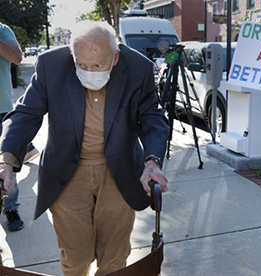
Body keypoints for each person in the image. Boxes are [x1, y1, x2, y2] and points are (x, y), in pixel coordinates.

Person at [0, 21, 169, 276]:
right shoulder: (51, 65)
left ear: (115, 57)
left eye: (98, 65)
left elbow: (152, 117)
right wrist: (6, 159)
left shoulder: (138, 68)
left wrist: (152, 162)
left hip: (119, 170)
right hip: (67, 171)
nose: (89, 71)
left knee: (114, 257)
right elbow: (26, 113)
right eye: (81, 64)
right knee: (75, 258)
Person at [0, 21, 27, 231]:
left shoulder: (2, 30)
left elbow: (17, 57)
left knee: (6, 163)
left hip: (1, 108)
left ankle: (10, 207)